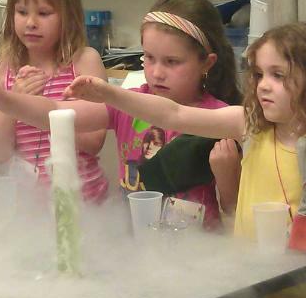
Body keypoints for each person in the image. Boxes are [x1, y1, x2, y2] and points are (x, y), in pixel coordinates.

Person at [0, 0, 242, 228]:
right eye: (149, 58)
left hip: (195, 255)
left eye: (172, 62)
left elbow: (235, 214)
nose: (157, 72)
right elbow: (56, 111)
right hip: (133, 250)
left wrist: (229, 178)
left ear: (207, 63)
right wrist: (4, 100)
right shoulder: (126, 104)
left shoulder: (218, 120)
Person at [65, 22, 306, 240]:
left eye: (278, 75)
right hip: (252, 279)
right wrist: (110, 94)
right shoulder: (249, 125)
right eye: (259, 74)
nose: (263, 85)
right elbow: (173, 114)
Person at [0, 0, 109, 202]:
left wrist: (43, 109)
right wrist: (14, 101)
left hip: (85, 202)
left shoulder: (83, 63)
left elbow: (94, 142)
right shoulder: (2, 71)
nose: (31, 23)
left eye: (44, 13)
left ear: (67, 16)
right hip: (29, 209)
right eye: (22, 12)